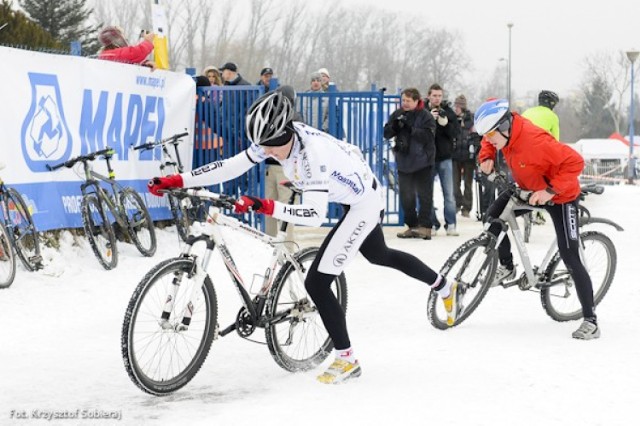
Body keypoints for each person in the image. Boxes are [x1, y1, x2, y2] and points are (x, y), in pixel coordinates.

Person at [148, 91, 461, 383]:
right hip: (346, 184)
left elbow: (314, 215)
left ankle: (347, 359)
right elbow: (232, 165)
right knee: (381, 255)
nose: (265, 152)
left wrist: (263, 205)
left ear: (285, 134)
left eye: (270, 146)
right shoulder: (277, 137)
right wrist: (178, 178)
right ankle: (446, 285)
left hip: (363, 203)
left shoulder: (313, 156)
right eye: (262, 145)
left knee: (317, 282)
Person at [475, 98, 600, 340]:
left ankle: (591, 320)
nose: (488, 140)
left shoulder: (535, 140)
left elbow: (576, 161)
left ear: (504, 127)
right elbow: (486, 138)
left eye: (491, 136)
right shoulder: (502, 131)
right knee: (493, 217)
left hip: (559, 196)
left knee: (569, 254)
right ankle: (507, 267)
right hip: (527, 189)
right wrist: (486, 156)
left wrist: (549, 191)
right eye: (487, 136)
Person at [383, 88, 436, 239]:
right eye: (403, 100)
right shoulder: (398, 114)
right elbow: (386, 133)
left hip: (423, 162)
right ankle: (412, 226)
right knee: (406, 197)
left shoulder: (425, 116)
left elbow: (428, 136)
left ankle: (425, 227)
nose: (404, 103)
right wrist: (394, 127)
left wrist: (410, 129)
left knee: (425, 195)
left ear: (416, 101)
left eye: (408, 101)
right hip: (404, 161)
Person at [426, 84, 460, 236]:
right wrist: (429, 119)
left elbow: (457, 132)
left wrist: (445, 124)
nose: (437, 98)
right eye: (434, 95)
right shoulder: (423, 112)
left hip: (445, 158)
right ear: (429, 96)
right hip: (427, 158)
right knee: (427, 194)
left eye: (439, 96)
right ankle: (432, 223)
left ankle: (451, 224)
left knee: (449, 194)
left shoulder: (448, 111)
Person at [522, 90, 560, 225]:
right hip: (539, 154)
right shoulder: (552, 116)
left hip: (522, 153)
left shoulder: (527, 112)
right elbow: (555, 141)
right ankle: (538, 211)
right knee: (544, 180)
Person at [451, 94, 480, 218]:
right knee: (454, 182)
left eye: (457, 106)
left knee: (468, 183)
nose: (455, 108)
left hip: (469, 156)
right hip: (454, 154)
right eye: (455, 105)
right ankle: (457, 203)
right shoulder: (452, 119)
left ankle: (467, 208)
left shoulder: (471, 119)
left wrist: (474, 148)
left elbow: (477, 136)